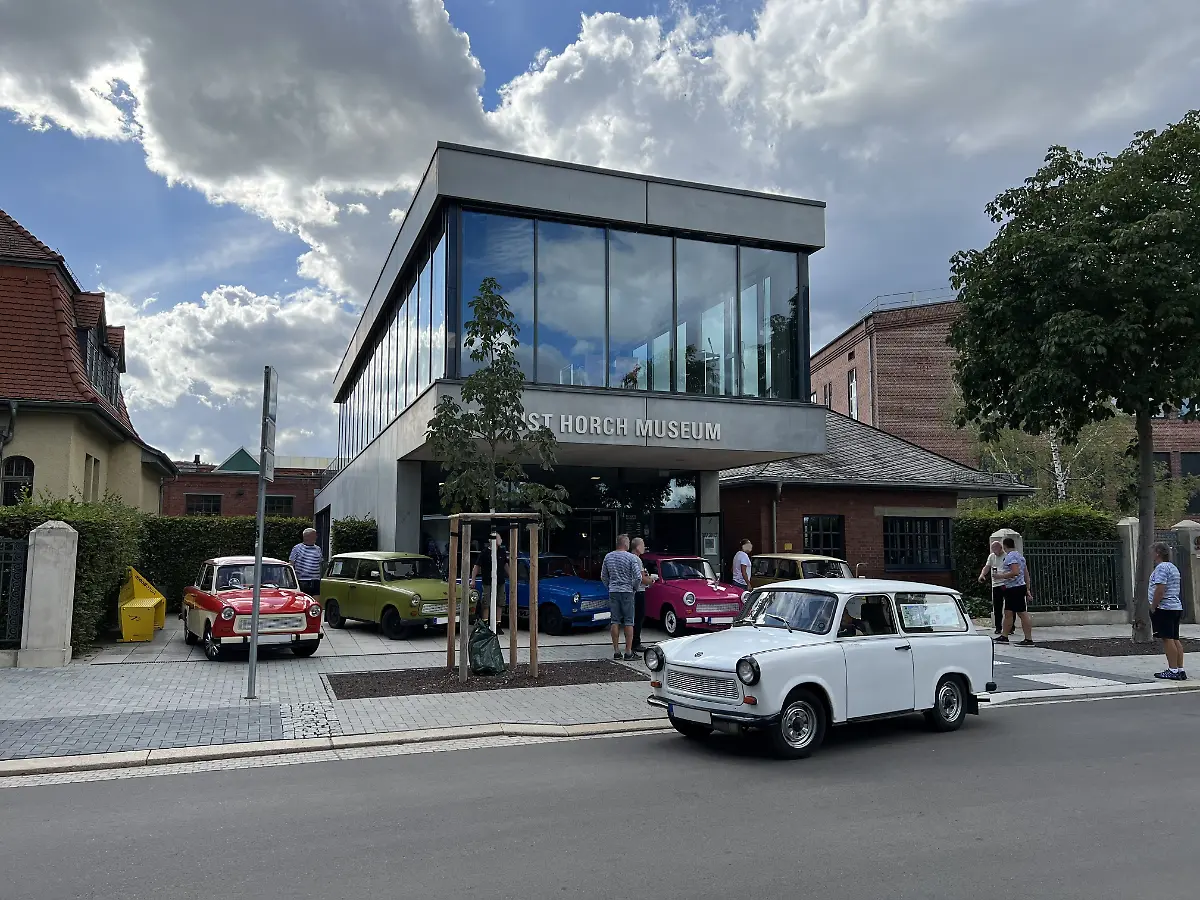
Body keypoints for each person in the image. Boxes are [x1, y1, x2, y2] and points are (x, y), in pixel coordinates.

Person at [600, 534, 643, 660]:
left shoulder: (608, 557)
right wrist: (634, 588)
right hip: (627, 592)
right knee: (629, 622)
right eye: (628, 542)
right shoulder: (631, 558)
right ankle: (628, 652)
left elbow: (603, 576)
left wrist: (610, 586)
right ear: (625, 543)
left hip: (613, 591)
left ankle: (616, 651)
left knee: (615, 621)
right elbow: (638, 577)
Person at [1148, 542, 1186, 680]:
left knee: (1167, 639)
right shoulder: (1173, 567)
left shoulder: (1161, 568)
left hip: (1164, 608)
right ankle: (1180, 669)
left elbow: (1160, 590)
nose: (1151, 554)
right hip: (1175, 607)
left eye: (1152, 551)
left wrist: (1153, 606)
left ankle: (1173, 670)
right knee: (1175, 639)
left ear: (1158, 552)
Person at [995, 537, 1034, 645]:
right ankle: (1004, 636)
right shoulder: (1020, 556)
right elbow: (1026, 573)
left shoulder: (1011, 557)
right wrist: (1027, 588)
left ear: (1004, 546)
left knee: (1022, 613)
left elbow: (1015, 572)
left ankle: (1028, 639)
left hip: (1014, 588)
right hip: (1016, 587)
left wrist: (1000, 576)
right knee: (1008, 612)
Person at [470, 532, 506, 635]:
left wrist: (512, 576)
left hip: (500, 581)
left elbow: (505, 565)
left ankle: (498, 624)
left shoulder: (502, 552)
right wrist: (472, 580)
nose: (500, 539)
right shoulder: (485, 553)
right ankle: (485, 623)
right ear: (492, 540)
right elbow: (476, 566)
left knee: (500, 602)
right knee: (486, 602)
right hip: (487, 582)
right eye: (498, 537)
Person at [977, 540, 1008, 634]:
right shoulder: (991, 556)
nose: (994, 552)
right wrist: (982, 574)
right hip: (996, 584)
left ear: (1001, 548)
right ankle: (998, 627)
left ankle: (1010, 627)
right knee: (997, 607)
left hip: (1006, 584)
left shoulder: (1006, 556)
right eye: (993, 550)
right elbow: (987, 567)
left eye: (996, 550)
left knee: (1009, 607)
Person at [630, 537, 656, 653]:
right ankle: (636, 642)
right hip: (638, 591)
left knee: (630, 618)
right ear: (638, 547)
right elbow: (641, 579)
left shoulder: (628, 558)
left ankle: (630, 642)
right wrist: (651, 580)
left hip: (629, 591)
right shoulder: (637, 560)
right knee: (639, 617)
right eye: (643, 545)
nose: (644, 547)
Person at [289, 528, 323, 598]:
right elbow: (291, 563)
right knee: (302, 600)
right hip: (302, 581)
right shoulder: (297, 548)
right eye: (314, 535)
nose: (316, 537)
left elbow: (320, 563)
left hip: (315, 580)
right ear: (307, 536)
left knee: (315, 601)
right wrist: (292, 579)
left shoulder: (318, 549)